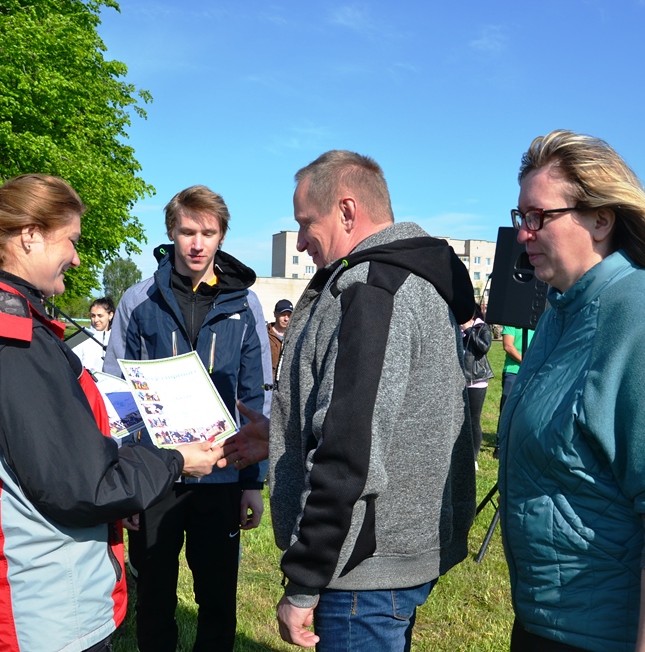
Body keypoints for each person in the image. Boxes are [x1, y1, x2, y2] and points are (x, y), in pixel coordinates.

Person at [0, 174, 222, 652]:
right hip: (48, 595)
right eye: (72, 241)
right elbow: (85, 487)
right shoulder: (13, 344)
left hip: (19, 573)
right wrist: (176, 460)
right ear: (30, 235)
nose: (77, 258)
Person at [225, 150, 476, 650]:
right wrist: (283, 436)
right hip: (384, 560)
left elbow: (349, 451)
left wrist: (304, 581)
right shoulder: (408, 282)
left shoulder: (374, 290)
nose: (300, 241)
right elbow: (388, 414)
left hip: (358, 573)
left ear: (346, 210)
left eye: (305, 223)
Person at [498, 131, 645, 652]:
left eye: (539, 217)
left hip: (606, 638)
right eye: (520, 217)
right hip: (547, 624)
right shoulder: (562, 313)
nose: (523, 233)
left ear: (601, 220)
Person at [103, 184, 271, 652]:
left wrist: (252, 482)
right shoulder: (138, 300)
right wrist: (125, 484)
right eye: (187, 232)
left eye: (208, 233)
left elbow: (256, 396)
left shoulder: (246, 304)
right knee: (154, 596)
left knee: (217, 597)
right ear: (171, 232)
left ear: (222, 237)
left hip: (222, 472)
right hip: (156, 474)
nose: (197, 244)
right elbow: (117, 392)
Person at [461, 303, 493, 464]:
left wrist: (469, 330)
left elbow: (484, 347)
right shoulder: (456, 328)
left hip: (476, 380)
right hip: (459, 379)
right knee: (459, 419)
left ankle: (473, 458)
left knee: (473, 419)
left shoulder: (482, 328)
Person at [71, 296, 115, 371]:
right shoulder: (81, 337)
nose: (96, 320)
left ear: (110, 315)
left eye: (100, 316)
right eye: (93, 316)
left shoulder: (118, 338)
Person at [499, 325, 534, 414]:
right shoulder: (512, 322)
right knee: (507, 410)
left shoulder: (540, 323)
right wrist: (526, 362)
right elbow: (508, 346)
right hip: (513, 372)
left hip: (533, 373)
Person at [267, 299, 293, 379]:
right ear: (275, 314)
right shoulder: (264, 334)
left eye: (289, 315)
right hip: (268, 382)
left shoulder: (295, 335)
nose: (286, 319)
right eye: (283, 315)